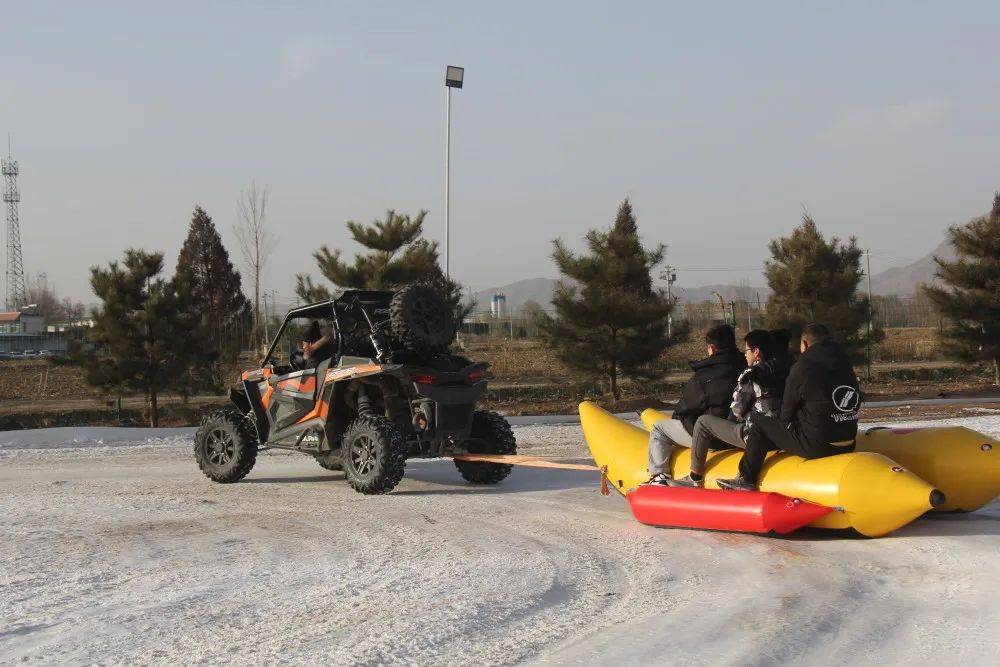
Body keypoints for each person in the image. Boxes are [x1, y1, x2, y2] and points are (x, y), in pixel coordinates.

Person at [717, 323, 861, 491]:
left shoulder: (803, 367)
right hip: (849, 441)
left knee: (760, 422)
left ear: (805, 344)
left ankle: (746, 478)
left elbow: (786, 413)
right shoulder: (845, 365)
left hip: (818, 445)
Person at [668, 329, 791, 487]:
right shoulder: (788, 371)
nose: (745, 354)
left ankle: (695, 477)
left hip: (755, 437)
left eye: (747, 350)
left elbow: (738, 411)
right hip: (781, 435)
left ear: (757, 352)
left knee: (703, 422)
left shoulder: (751, 375)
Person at [646, 324, 746, 485]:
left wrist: (680, 421)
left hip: (713, 439)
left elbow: (684, 408)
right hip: (739, 435)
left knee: (659, 429)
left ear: (711, 348)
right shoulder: (746, 366)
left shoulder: (705, 375)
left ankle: (659, 475)